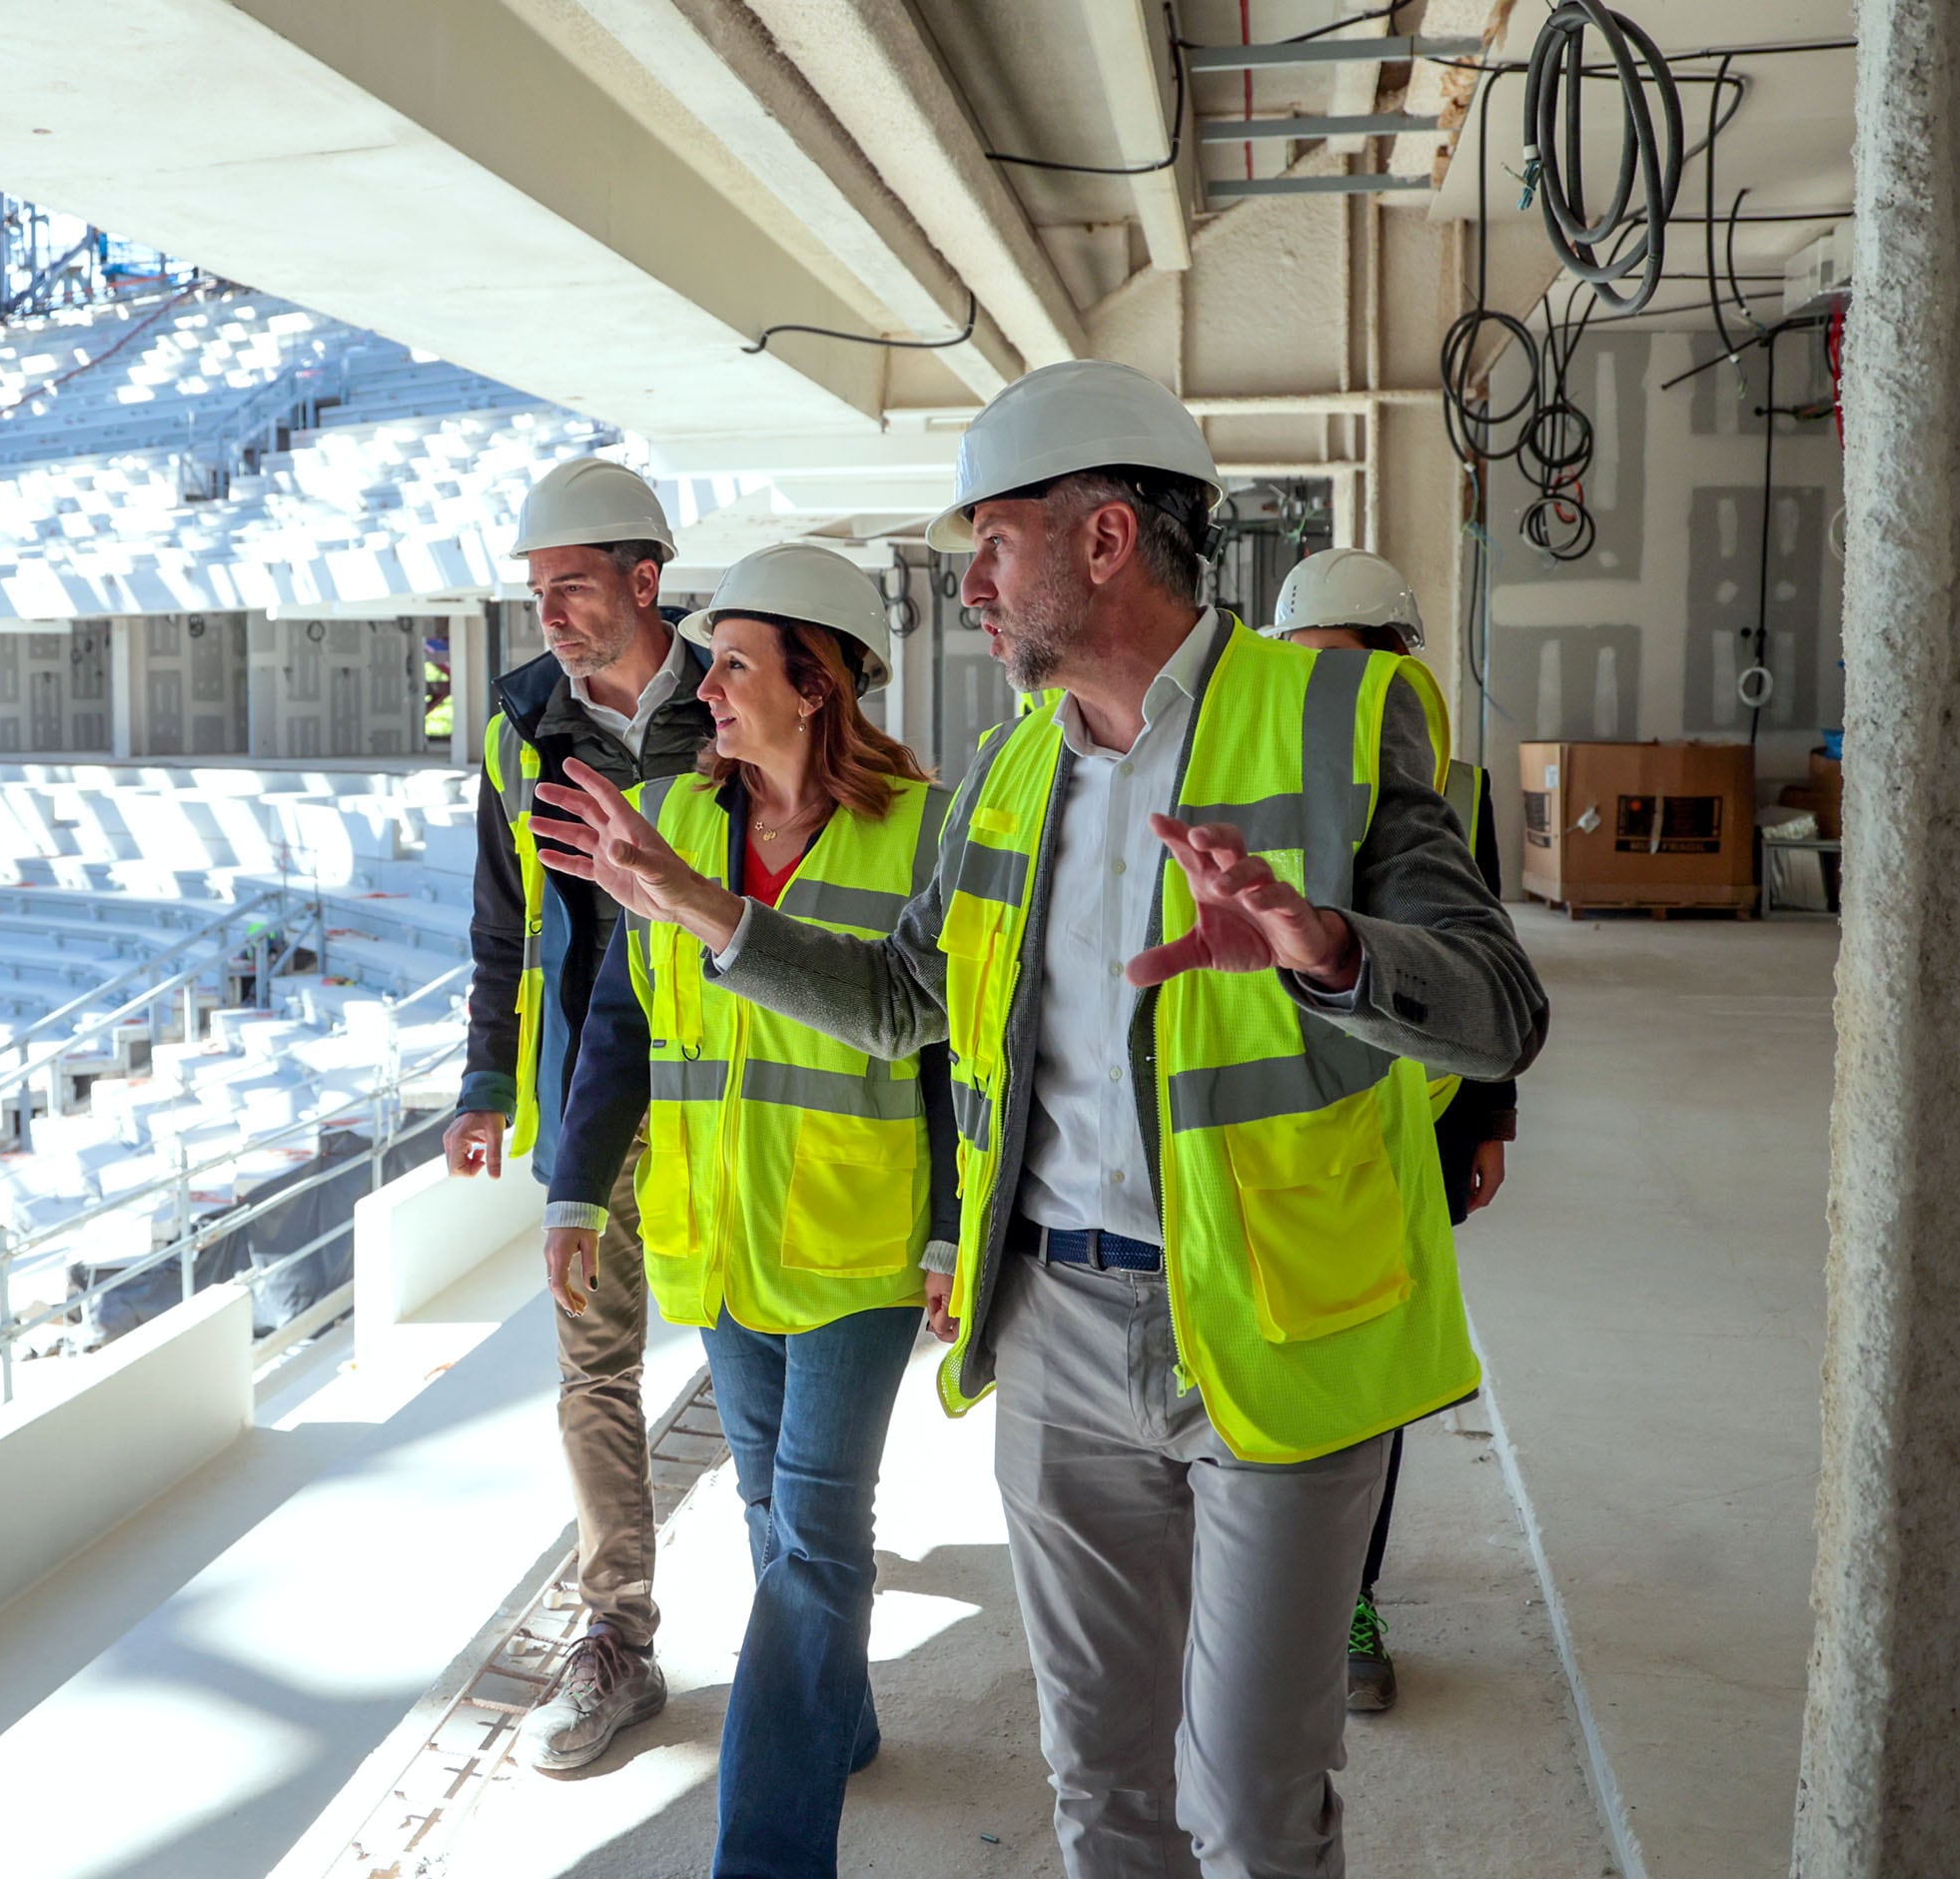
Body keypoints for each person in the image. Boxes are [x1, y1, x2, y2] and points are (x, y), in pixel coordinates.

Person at [528, 360, 1548, 1878]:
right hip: (1063, 1327)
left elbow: (1496, 1005)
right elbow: (898, 1003)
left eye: (991, 544)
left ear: (1102, 540)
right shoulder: (1009, 773)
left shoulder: (1340, 716)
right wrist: (701, 908)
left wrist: (1329, 950)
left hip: (1278, 1321)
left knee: (1256, 1809)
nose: (973, 589)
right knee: (1102, 1793)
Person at [543, 543, 952, 1876]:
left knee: (818, 1533)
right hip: (715, 1244)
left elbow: (954, 1049)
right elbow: (618, 1020)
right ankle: (838, 1718)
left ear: (816, 681)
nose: (703, 685)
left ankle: (767, 1856)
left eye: (732, 662)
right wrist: (572, 1191)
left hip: (856, 1245)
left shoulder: (923, 833)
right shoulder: (669, 815)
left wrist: (954, 1229)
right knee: (776, 1520)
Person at [443, 456, 712, 1771]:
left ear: (643, 580)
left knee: (770, 1342)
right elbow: (504, 921)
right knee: (596, 1366)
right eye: (534, 591)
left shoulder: (738, 700)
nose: (547, 613)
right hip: (588, 1103)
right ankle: (619, 1633)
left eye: (571, 586)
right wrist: (489, 1079)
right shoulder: (515, 725)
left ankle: (814, 1598)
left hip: (732, 1089)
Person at [1264, 546, 1523, 1716]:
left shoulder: (1453, 789)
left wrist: (1487, 1115)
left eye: (1344, 665)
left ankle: (1349, 1594)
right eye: (1306, 666)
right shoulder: (1249, 771)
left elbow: (1483, 965)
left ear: (1390, 668)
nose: (1325, 689)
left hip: (1406, 1120)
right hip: (1273, 1119)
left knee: (1368, 1368)